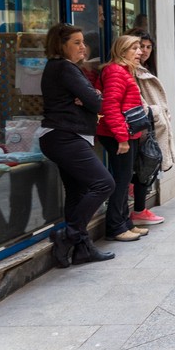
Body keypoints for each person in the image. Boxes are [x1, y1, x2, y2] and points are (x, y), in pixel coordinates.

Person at [40, 24, 115, 267]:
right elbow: (97, 103)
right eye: (76, 42)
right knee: (104, 183)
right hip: (66, 137)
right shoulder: (65, 67)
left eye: (83, 42)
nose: (83, 47)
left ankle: (82, 250)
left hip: (61, 137)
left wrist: (90, 97)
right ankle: (68, 235)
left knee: (77, 192)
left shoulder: (58, 67)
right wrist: (92, 97)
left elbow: (91, 99)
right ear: (61, 45)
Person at [96, 35, 149, 242]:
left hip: (127, 133)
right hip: (118, 134)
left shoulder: (124, 71)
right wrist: (122, 138)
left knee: (125, 178)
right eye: (134, 48)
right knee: (121, 179)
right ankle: (115, 227)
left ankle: (125, 223)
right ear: (122, 51)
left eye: (140, 48)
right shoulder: (115, 71)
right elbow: (110, 107)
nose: (140, 52)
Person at [126, 30, 175, 226]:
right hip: (142, 127)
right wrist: (155, 113)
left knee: (147, 168)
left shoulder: (144, 69)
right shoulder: (130, 70)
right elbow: (135, 101)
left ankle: (139, 210)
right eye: (140, 46)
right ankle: (137, 211)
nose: (144, 51)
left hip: (150, 126)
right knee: (143, 168)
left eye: (148, 47)